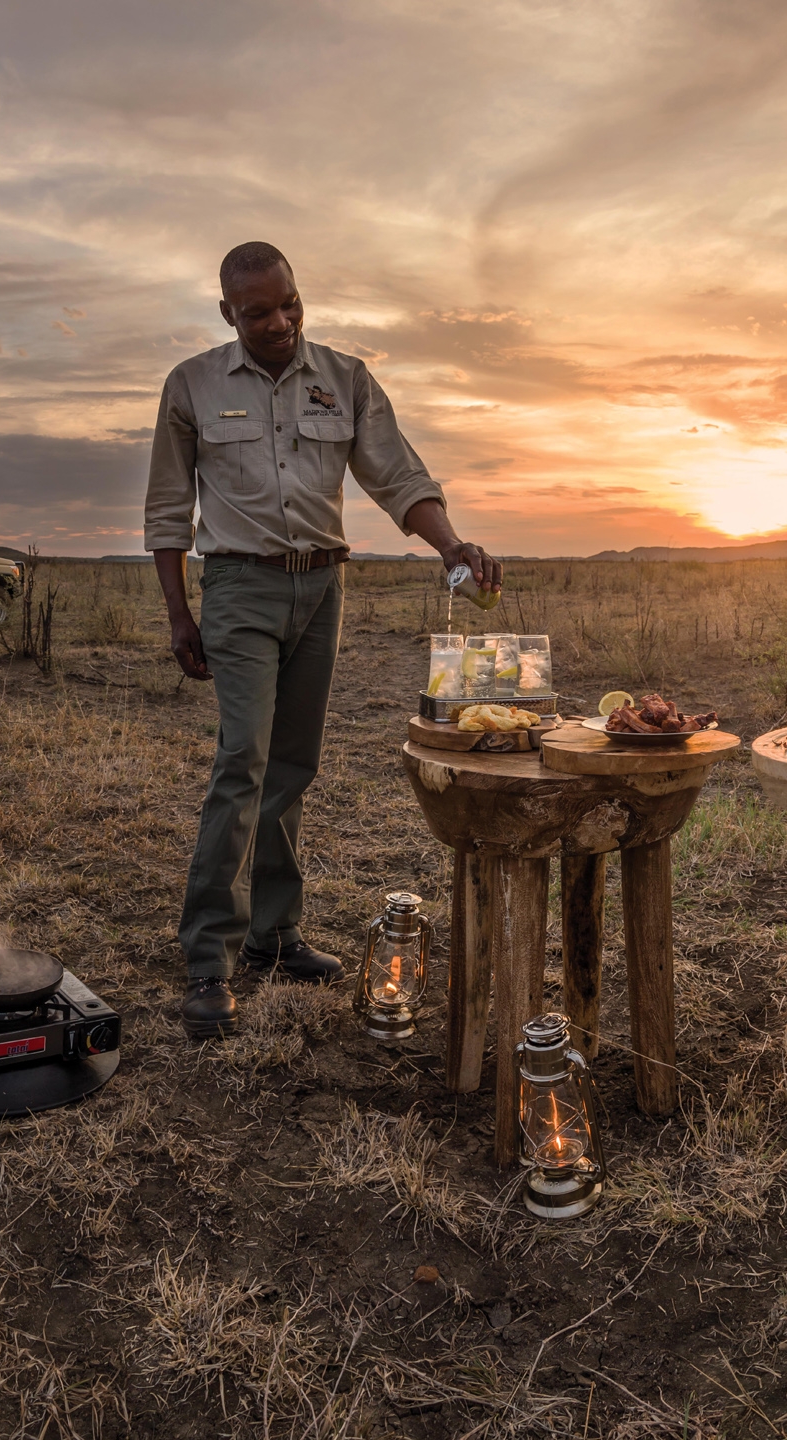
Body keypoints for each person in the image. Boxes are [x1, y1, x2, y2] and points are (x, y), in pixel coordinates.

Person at [146, 242, 502, 1039]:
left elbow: (397, 477)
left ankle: (276, 933)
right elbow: (169, 511)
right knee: (243, 757)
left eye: (290, 304)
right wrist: (179, 613)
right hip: (238, 586)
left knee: (294, 764)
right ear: (227, 314)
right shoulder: (193, 386)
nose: (280, 323)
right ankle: (209, 955)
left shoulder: (344, 378)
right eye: (258, 312)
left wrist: (451, 546)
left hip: (323, 587)